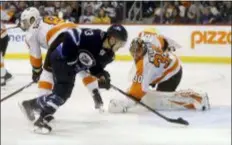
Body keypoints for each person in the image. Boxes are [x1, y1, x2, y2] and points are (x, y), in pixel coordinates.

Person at [20, 21, 128, 134]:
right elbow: (70, 34)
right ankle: (41, 120)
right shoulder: (95, 36)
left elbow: (94, 67)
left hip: (70, 67)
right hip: (60, 57)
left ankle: (31, 104)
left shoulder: (109, 56)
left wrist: (102, 76)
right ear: (112, 39)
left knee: (62, 94)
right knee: (62, 93)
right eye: (120, 43)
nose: (121, 47)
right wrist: (69, 56)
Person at [19, 7, 105, 110]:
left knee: (48, 73)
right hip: (78, 34)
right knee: (83, 65)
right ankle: (95, 92)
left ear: (32, 18)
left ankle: (41, 105)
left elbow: (35, 56)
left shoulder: (31, 32)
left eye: (25, 21)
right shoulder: (47, 18)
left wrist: (37, 72)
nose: (25, 24)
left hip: (60, 40)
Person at [108, 28, 210, 113]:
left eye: (137, 52)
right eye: (134, 52)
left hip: (171, 74)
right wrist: (169, 47)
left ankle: (196, 97)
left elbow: (138, 93)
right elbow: (162, 39)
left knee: (161, 100)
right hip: (169, 64)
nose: (135, 55)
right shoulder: (149, 41)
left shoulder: (144, 65)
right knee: (139, 90)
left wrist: (123, 105)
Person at [0, 5, 13, 86]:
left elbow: (7, 17)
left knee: (0, 58)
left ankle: (3, 76)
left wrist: (11, 10)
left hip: (2, 38)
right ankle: (5, 73)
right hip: (3, 37)